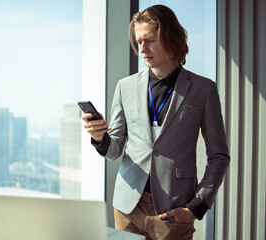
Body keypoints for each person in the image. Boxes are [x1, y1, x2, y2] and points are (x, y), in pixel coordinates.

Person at [81, 4, 230, 240]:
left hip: (173, 211)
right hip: (128, 207)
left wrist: (196, 206)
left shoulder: (204, 90)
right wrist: (99, 137)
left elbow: (219, 156)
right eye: (138, 41)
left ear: (170, 38)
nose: (142, 49)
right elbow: (115, 148)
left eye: (149, 40)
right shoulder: (125, 87)